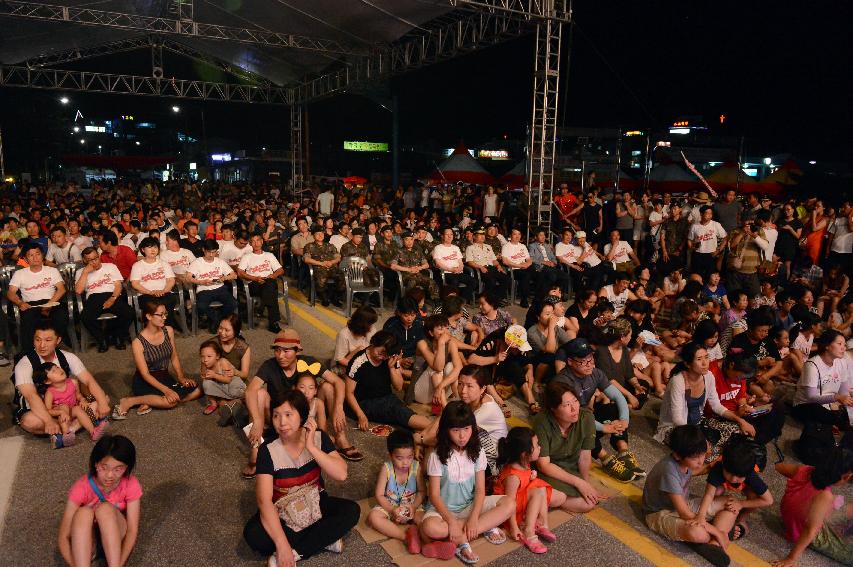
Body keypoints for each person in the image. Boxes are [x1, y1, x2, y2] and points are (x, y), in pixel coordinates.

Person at [242, 390, 359, 565]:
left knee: (351, 511)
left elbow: (341, 474)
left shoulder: (319, 437)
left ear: (303, 416)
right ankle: (323, 539)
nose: (282, 423)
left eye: (289, 415)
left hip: (315, 502)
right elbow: (264, 501)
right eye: (276, 416)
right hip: (283, 511)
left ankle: (297, 552)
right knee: (254, 536)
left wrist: (311, 448)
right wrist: (281, 543)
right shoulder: (267, 450)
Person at [243, 329, 362, 479]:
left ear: (297, 351)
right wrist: (258, 420)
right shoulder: (269, 365)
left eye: (286, 351)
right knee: (258, 394)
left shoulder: (309, 362)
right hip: (279, 416)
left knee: (328, 387)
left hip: (305, 413)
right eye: (277, 350)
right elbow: (250, 391)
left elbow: (338, 382)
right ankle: (256, 449)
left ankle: (340, 437)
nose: (280, 356)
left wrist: (339, 408)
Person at [419, 401, 514, 565]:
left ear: (473, 428)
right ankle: (476, 530)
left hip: (469, 507)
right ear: (446, 430)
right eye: (455, 430)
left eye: (467, 429)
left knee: (510, 503)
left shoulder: (478, 452)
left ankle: (466, 532)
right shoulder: (437, 456)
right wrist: (451, 522)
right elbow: (434, 495)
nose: (462, 436)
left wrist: (474, 519)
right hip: (443, 512)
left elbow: (479, 490)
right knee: (430, 528)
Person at [642, 425, 733, 567]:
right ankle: (713, 535)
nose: (700, 461)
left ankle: (712, 543)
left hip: (683, 505)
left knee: (729, 502)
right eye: (695, 457)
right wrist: (717, 531)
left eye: (702, 454)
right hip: (659, 514)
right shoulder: (668, 469)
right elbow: (684, 513)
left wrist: (711, 467)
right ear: (678, 455)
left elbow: (693, 472)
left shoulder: (684, 462)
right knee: (698, 533)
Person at [655, 342, 756, 463]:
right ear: (687, 364)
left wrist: (741, 420)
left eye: (706, 357)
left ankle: (713, 452)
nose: (705, 363)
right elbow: (678, 420)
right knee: (699, 448)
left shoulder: (708, 377)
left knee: (738, 430)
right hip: (676, 428)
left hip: (699, 423)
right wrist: (701, 439)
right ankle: (712, 453)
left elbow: (717, 406)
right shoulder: (678, 381)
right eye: (699, 359)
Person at [11, 321, 112, 436]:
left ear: (58, 340)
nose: (42, 345)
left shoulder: (68, 357)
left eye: (48, 340)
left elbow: (88, 380)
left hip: (66, 406)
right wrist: (48, 420)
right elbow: (31, 396)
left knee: (103, 399)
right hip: (37, 409)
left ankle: (66, 431)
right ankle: (78, 424)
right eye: (38, 340)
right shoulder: (24, 364)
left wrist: (102, 403)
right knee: (31, 422)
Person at [57, 435, 142, 567]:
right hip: (88, 543)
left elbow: (132, 530)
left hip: (115, 538)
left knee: (105, 509)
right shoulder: (81, 487)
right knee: (83, 513)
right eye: (104, 467)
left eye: (118, 469)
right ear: (96, 464)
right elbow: (63, 536)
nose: (110, 475)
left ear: (126, 467)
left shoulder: (131, 484)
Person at [111, 300, 200, 419]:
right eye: (160, 315)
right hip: (145, 380)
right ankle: (130, 401)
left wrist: (181, 377)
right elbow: (145, 374)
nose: (164, 317)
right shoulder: (138, 342)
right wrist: (167, 390)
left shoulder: (168, 330)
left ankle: (151, 401)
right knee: (170, 402)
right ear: (148, 316)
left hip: (164, 376)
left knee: (198, 389)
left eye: (165, 314)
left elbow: (174, 356)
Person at [532, 381, 608, 513]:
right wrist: (578, 483)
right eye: (567, 405)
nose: (574, 409)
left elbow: (585, 456)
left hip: (569, 469)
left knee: (588, 503)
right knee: (561, 497)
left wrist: (586, 484)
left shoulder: (586, 418)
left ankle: (549, 498)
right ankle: (549, 497)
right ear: (553, 409)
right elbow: (543, 464)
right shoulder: (542, 421)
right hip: (547, 470)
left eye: (575, 401)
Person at [774, 448, 853, 567]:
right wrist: (791, 558)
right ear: (847, 476)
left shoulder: (805, 470)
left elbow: (779, 467)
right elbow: (810, 531)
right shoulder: (825, 496)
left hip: (794, 519)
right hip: (802, 531)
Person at [493, 427, 562, 554]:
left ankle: (542, 524)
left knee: (540, 488)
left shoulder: (524, 463)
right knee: (538, 491)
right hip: (509, 511)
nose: (540, 447)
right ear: (524, 454)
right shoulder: (513, 477)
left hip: (520, 501)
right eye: (536, 445)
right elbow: (509, 503)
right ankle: (529, 532)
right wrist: (513, 527)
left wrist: (531, 477)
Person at [346, 330, 433, 431]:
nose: (382, 357)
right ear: (374, 343)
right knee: (398, 412)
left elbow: (399, 387)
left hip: (387, 398)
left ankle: (436, 429)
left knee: (403, 415)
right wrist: (361, 415)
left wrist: (392, 368)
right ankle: (438, 429)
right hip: (364, 403)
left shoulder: (390, 357)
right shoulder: (358, 362)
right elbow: (349, 393)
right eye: (381, 352)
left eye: (386, 355)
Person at [791, 330, 853, 464]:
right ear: (827, 346)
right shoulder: (812, 365)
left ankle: (840, 424)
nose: (844, 347)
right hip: (804, 405)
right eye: (839, 343)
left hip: (828, 405)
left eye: (844, 344)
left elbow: (844, 390)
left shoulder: (841, 362)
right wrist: (837, 398)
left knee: (843, 415)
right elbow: (811, 397)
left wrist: (848, 399)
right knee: (819, 411)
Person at [698, 440, 774, 543]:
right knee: (716, 492)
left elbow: (768, 500)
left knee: (754, 497)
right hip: (723, 481)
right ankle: (716, 516)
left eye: (739, 476)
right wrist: (701, 516)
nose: (733, 479)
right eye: (729, 473)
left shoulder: (750, 475)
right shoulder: (719, 467)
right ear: (723, 463)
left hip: (746, 485)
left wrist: (741, 504)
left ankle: (741, 520)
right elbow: (709, 494)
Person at [367, 430, 427, 553]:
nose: (405, 462)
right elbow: (379, 494)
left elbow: (422, 491)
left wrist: (414, 507)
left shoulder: (416, 467)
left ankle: (429, 543)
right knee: (374, 517)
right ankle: (405, 537)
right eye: (399, 458)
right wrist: (391, 510)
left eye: (410, 457)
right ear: (390, 455)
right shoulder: (386, 468)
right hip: (390, 505)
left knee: (424, 521)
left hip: (412, 505)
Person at [7, 241, 70, 351]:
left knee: (61, 316)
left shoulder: (52, 270)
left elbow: (61, 289)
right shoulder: (20, 274)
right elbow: (10, 292)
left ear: (42, 256)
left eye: (38, 254)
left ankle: (55, 345)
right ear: (26, 259)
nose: (35, 257)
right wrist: (20, 303)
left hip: (51, 301)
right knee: (27, 319)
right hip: (31, 304)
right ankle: (29, 352)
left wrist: (49, 305)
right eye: (31, 255)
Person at [75, 246, 134, 353]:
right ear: (84, 260)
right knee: (85, 317)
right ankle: (102, 339)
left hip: (112, 294)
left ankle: (118, 337)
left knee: (129, 312)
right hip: (94, 297)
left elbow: (118, 286)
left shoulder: (110, 266)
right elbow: (78, 291)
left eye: (96, 258)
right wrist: (85, 272)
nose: (95, 262)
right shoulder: (81, 272)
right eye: (90, 260)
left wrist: (112, 299)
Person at [186, 239, 238, 333]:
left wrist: (224, 278)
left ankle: (216, 320)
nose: (211, 255)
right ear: (203, 250)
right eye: (209, 252)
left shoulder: (220, 262)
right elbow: (188, 278)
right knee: (201, 306)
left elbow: (234, 275)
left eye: (214, 252)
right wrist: (201, 282)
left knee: (233, 303)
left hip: (220, 288)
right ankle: (218, 319)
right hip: (204, 289)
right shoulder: (197, 262)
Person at [412, 315, 464, 407]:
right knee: (435, 371)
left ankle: (459, 399)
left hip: (439, 390)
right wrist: (441, 343)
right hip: (421, 392)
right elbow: (438, 367)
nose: (445, 332)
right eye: (440, 329)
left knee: (451, 367)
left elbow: (459, 368)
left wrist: (440, 387)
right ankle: (445, 408)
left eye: (447, 328)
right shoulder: (422, 344)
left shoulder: (451, 343)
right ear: (431, 333)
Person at [237, 233, 285, 332]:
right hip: (254, 283)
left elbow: (280, 270)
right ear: (250, 244)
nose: (256, 243)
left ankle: (260, 307)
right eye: (253, 241)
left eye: (258, 240)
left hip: (269, 280)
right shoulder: (247, 256)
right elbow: (240, 272)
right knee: (271, 291)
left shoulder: (269, 255)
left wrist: (273, 275)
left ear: (262, 242)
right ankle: (273, 323)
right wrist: (254, 278)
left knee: (270, 284)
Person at [199, 339, 245, 416]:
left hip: (232, 384)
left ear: (217, 356)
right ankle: (214, 403)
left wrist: (214, 375)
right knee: (206, 384)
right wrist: (204, 375)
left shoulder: (222, 362)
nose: (205, 359)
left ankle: (231, 401)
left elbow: (228, 380)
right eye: (202, 356)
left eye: (209, 356)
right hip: (222, 386)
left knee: (234, 391)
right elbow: (203, 376)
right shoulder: (204, 363)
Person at [303, 224, 345, 307]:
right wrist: (321, 263)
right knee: (321, 278)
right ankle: (324, 297)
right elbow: (306, 259)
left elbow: (338, 257)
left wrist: (331, 262)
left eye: (322, 233)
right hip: (319, 268)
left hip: (332, 267)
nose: (320, 235)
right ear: (313, 235)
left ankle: (335, 297)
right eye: (317, 234)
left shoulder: (330, 246)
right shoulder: (309, 246)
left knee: (343, 276)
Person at [333, 305, 378, 374]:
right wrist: (359, 367)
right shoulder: (344, 334)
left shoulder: (372, 330)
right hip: (348, 363)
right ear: (363, 324)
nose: (372, 327)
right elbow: (340, 359)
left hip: (365, 360)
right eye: (370, 324)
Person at [688, 205, 727, 280]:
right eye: (707, 213)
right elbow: (689, 239)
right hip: (698, 255)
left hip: (711, 255)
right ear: (701, 214)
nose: (709, 215)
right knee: (697, 277)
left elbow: (725, 238)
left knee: (710, 277)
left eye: (711, 213)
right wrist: (692, 248)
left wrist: (718, 250)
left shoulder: (716, 225)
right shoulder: (695, 226)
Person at [502, 227, 536, 307]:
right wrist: (520, 265)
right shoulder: (506, 246)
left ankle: (538, 298)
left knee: (539, 274)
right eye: (515, 234)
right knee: (526, 275)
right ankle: (524, 299)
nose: (517, 236)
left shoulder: (522, 246)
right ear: (510, 235)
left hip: (525, 267)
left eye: (519, 234)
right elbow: (505, 261)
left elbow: (529, 259)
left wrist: (526, 264)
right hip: (514, 269)